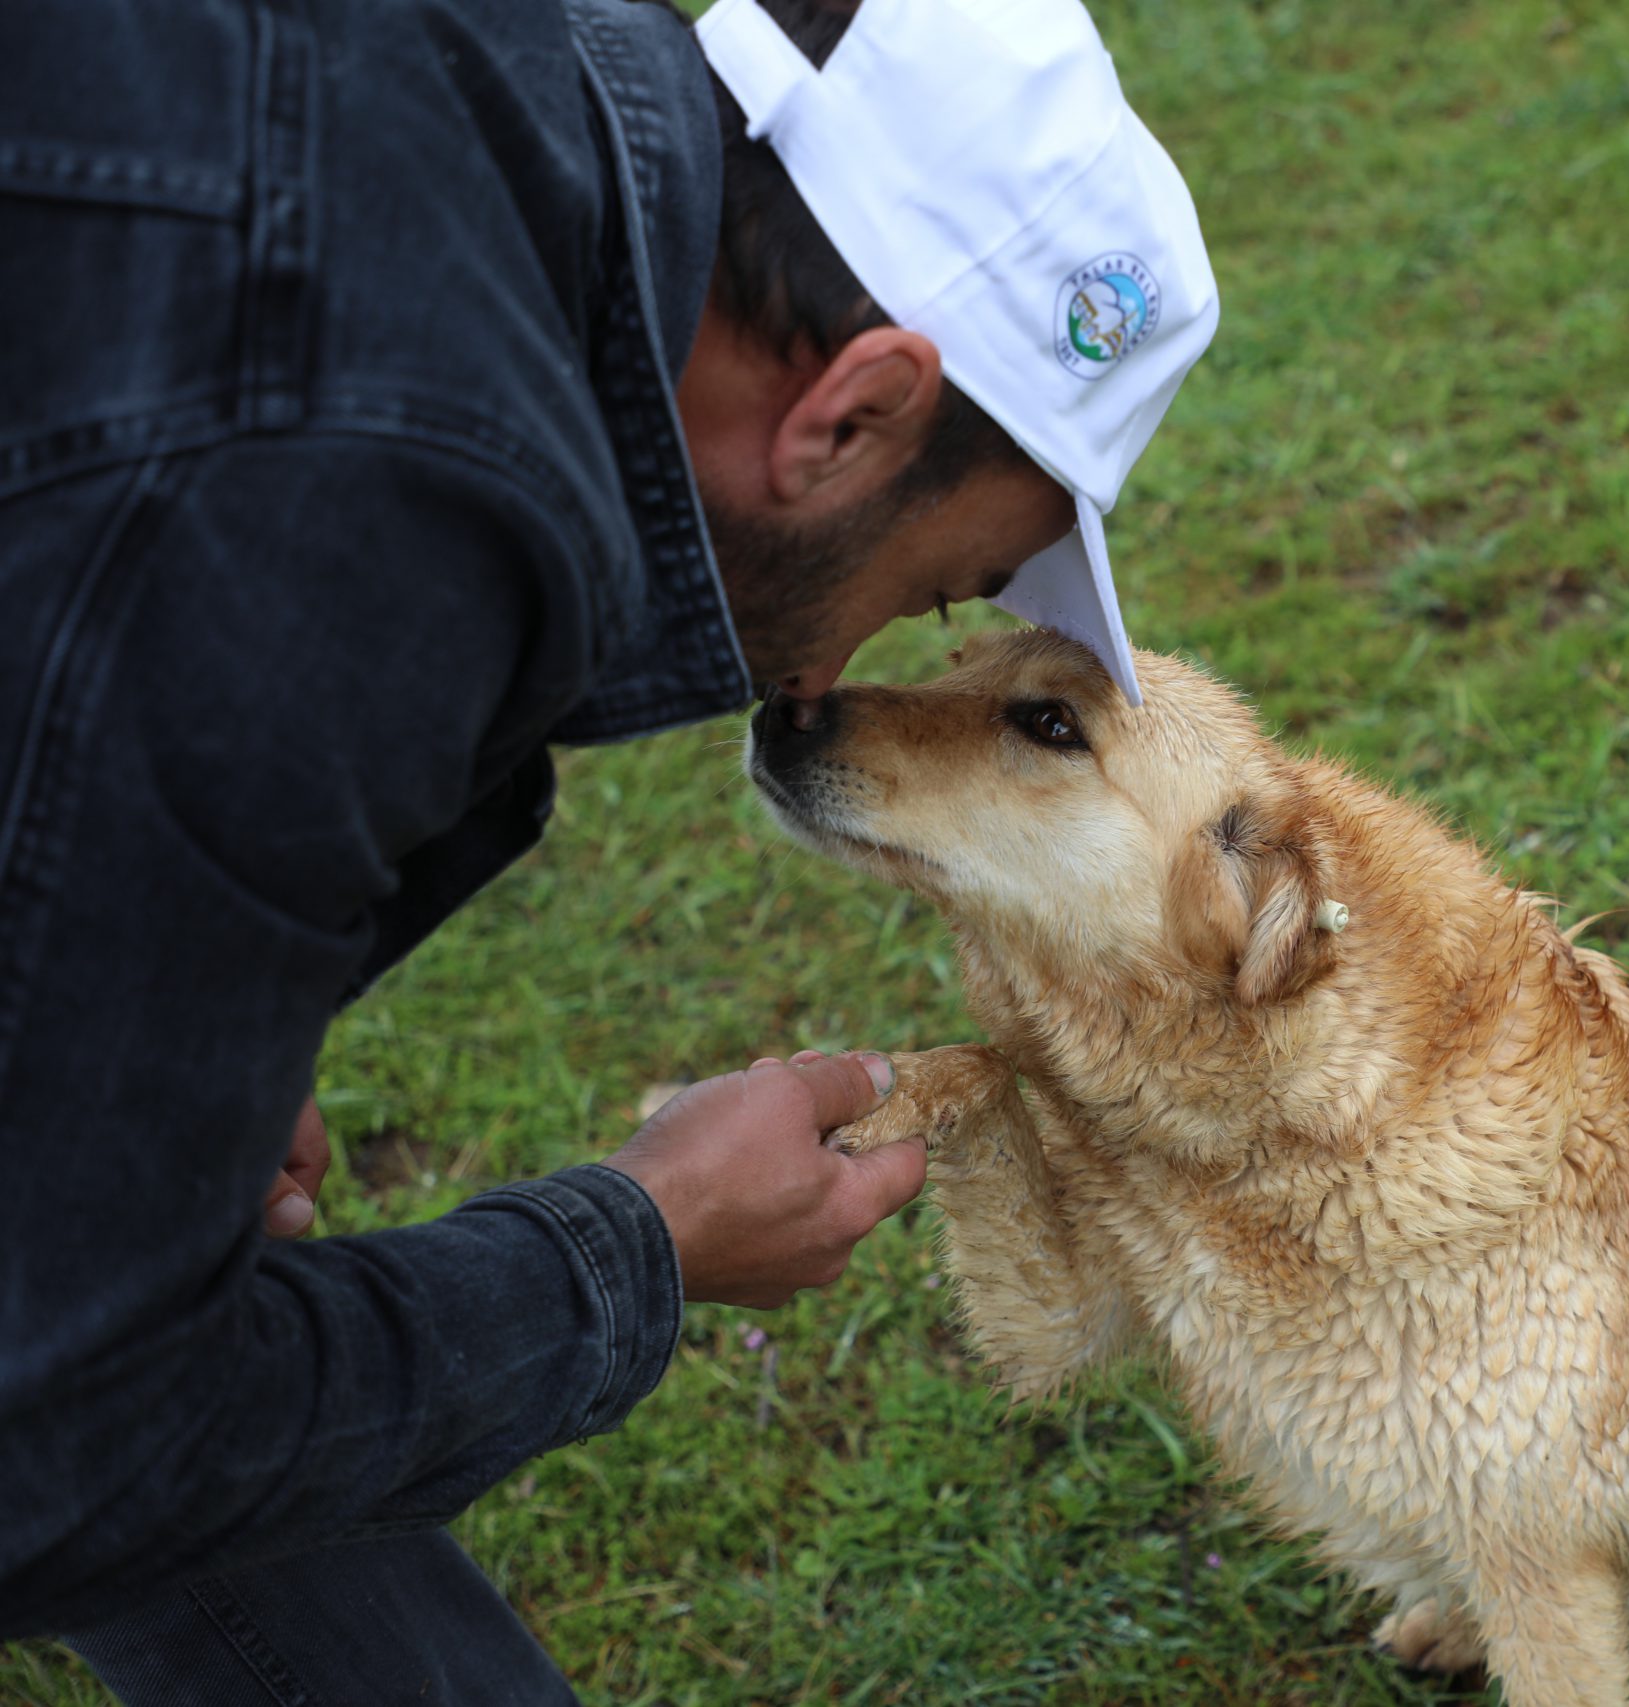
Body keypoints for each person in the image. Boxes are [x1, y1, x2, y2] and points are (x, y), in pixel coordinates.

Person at [0, 0, 1216, 1697]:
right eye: (923, 591)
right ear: (854, 414)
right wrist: (633, 1246)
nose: (826, 682)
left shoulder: (473, 121)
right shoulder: (344, 501)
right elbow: (58, 1445)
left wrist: (142, 989)